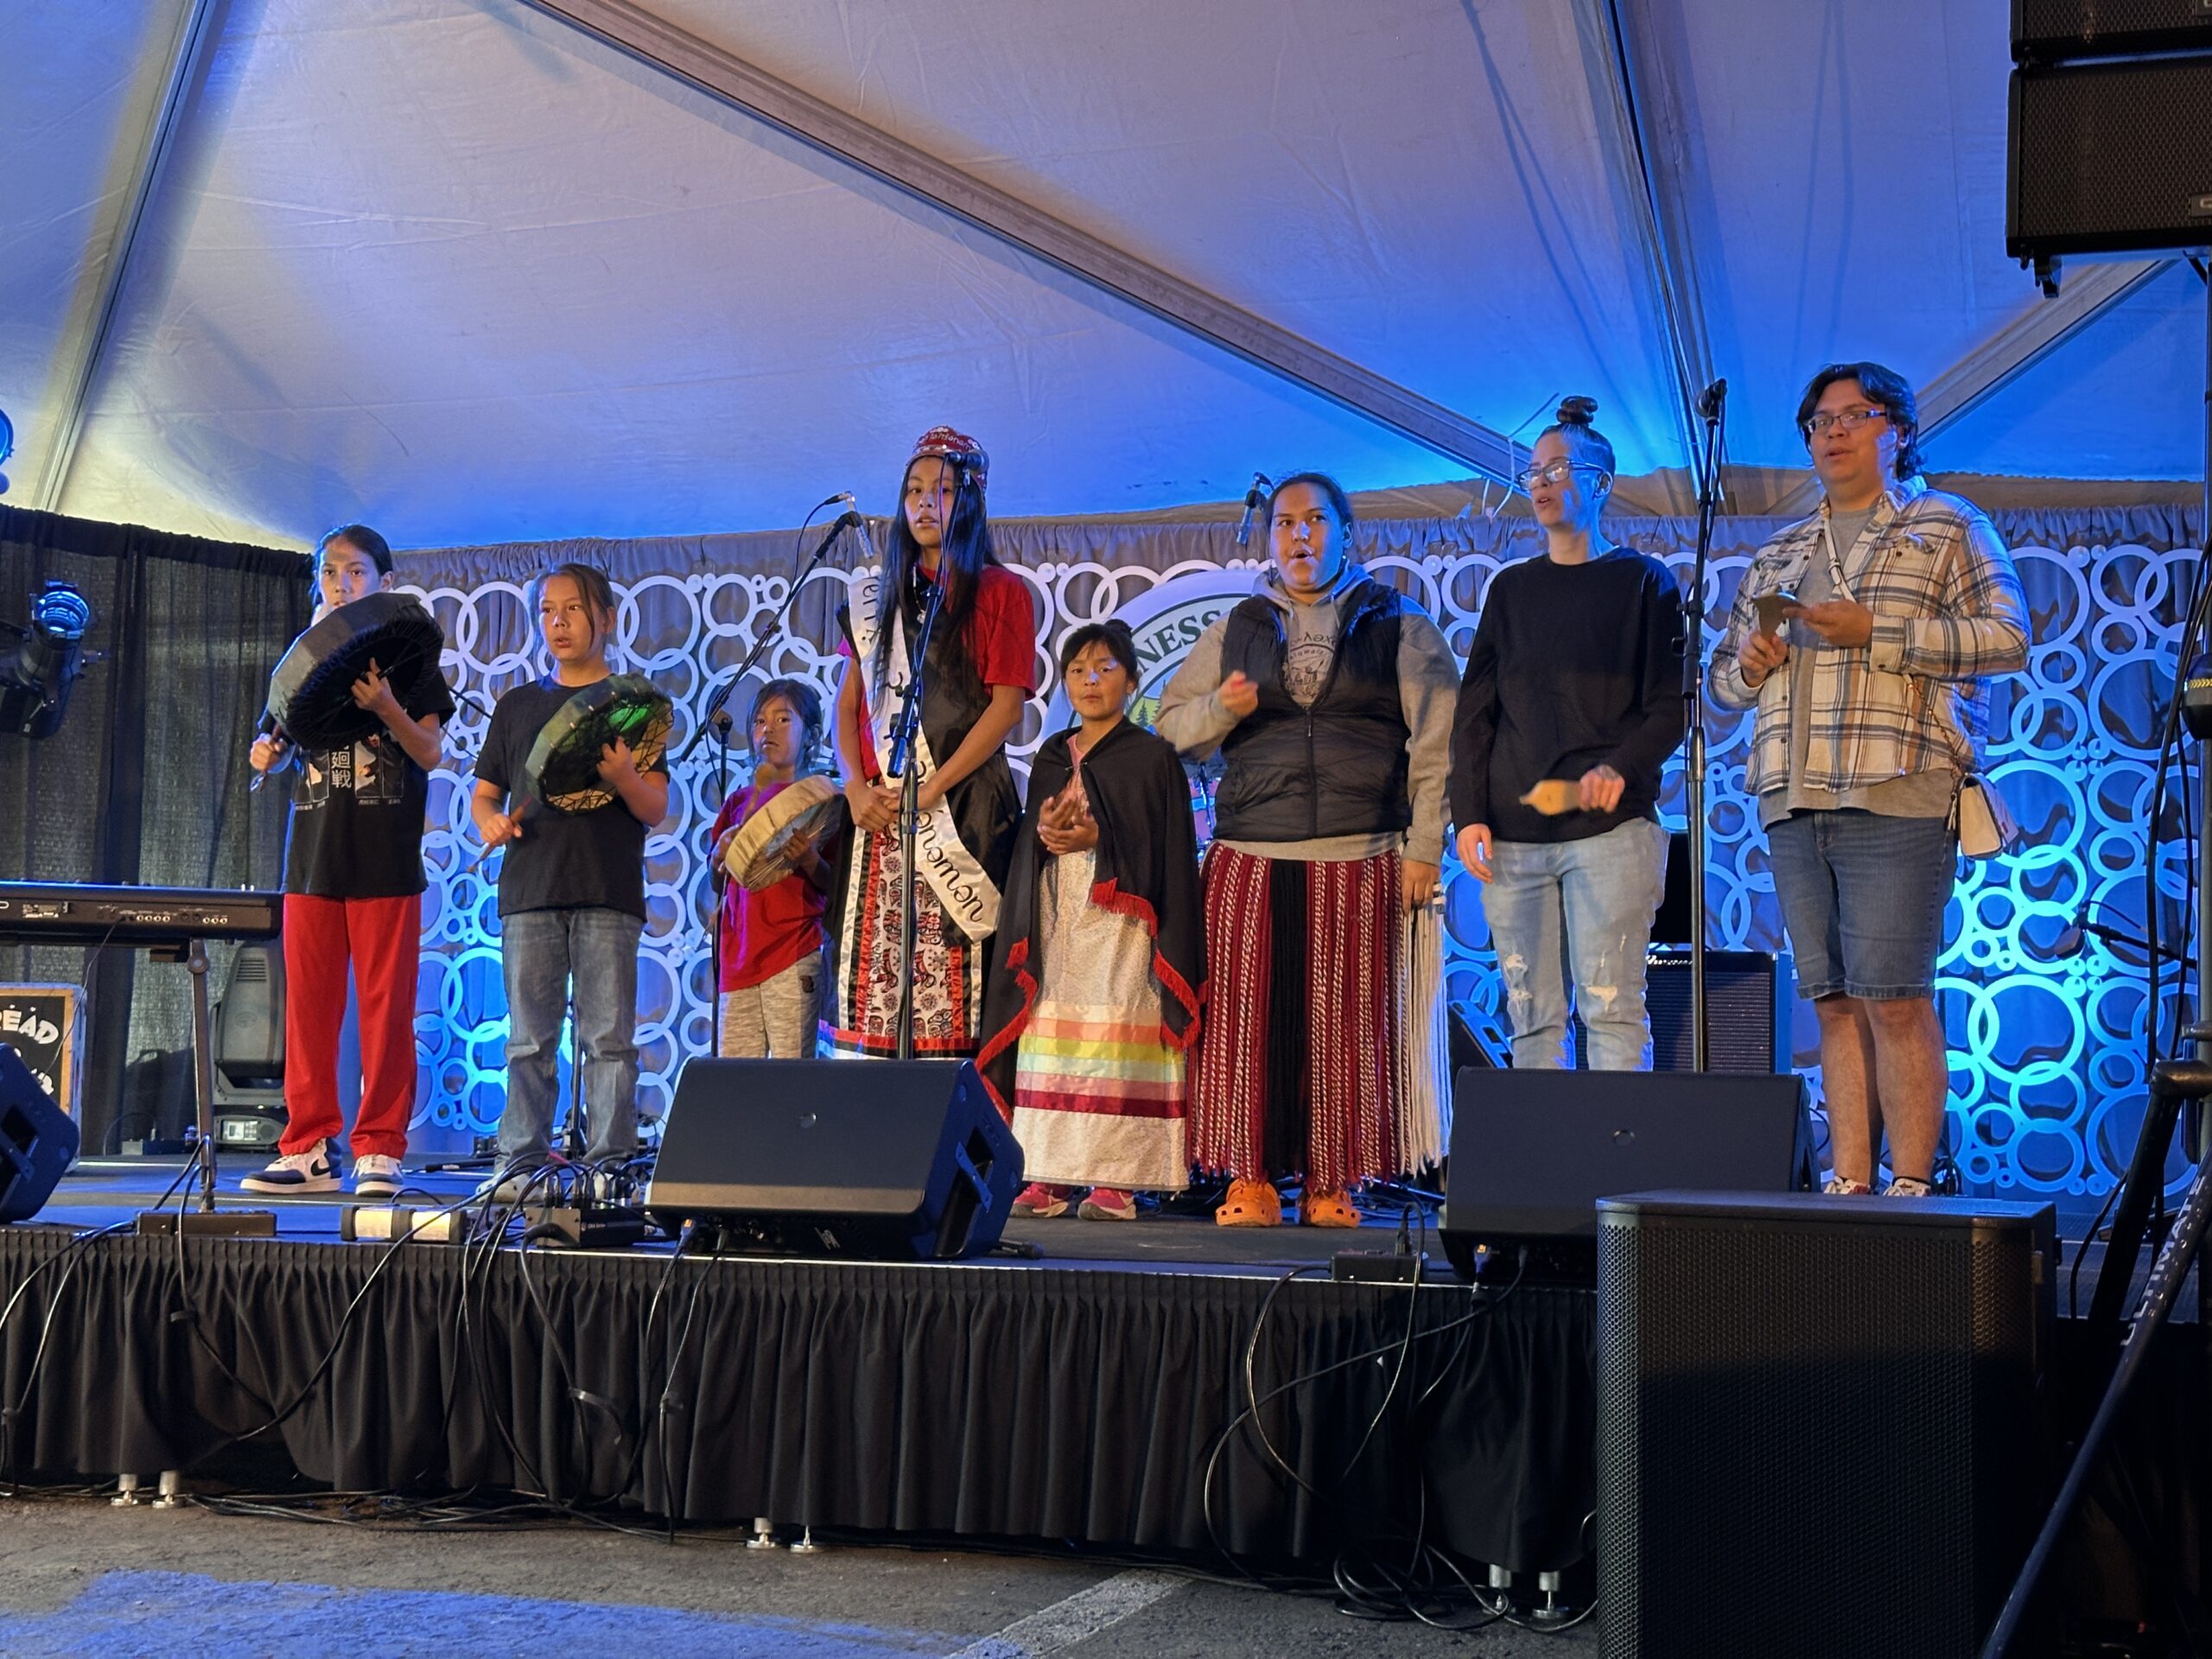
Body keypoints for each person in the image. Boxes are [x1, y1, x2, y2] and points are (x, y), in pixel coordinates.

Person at [1708, 362, 2027, 1197]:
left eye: (1855, 415)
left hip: (1900, 787)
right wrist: (1749, 663)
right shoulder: (1780, 550)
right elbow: (1720, 687)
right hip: (1794, 794)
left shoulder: (1947, 524)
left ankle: (1912, 1184)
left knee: (1894, 997)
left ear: (1899, 430)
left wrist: (1877, 630)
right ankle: (1851, 1184)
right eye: (1820, 420)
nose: (1835, 431)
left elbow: (2008, 637)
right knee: (1835, 1003)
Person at [1156, 473, 1459, 1227]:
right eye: (1286, 523)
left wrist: (1426, 847)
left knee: (1348, 1027)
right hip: (1252, 853)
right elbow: (1165, 729)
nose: (1300, 536)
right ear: (1269, 540)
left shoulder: (1400, 622)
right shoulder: (1238, 627)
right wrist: (1219, 710)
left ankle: (1333, 1181)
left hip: (1364, 852)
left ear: (1346, 533)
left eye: (1316, 520)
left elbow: (1438, 745)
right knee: (1246, 1027)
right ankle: (1251, 1179)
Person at [1451, 397, 1685, 1070]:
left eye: (1559, 468)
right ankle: (1548, 1174)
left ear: (1602, 481)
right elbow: (1476, 712)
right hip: (1515, 835)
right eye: (1533, 472)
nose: (1542, 483)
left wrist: (1619, 767)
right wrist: (1468, 814)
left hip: (1613, 835)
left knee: (1611, 1009)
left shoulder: (1645, 582)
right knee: (1530, 1019)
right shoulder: (1511, 590)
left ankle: (1617, 1170)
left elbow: (1669, 706)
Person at [243, 525, 452, 1199]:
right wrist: (266, 754)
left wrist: (387, 705)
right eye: (330, 573)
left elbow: (429, 752)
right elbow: (272, 734)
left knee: (386, 1012)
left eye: (356, 572)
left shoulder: (412, 658)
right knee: (307, 1012)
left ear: (385, 583)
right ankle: (306, 1146)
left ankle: (380, 1148)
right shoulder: (302, 662)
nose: (341, 585)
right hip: (311, 858)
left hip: (384, 859)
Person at [977, 622, 1205, 1221]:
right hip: (1058, 913)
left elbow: (1166, 846)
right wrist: (1047, 833)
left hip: (1123, 920)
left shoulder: (1152, 758)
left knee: (1114, 1032)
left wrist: (1102, 835)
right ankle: (1048, 1174)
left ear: (1132, 680)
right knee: (1051, 1027)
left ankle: (1117, 1180)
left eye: (1105, 668)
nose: (1090, 681)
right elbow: (1032, 835)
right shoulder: (1053, 755)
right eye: (1077, 670)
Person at [830, 426, 1036, 1058]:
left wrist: (932, 789)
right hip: (878, 817)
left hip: (961, 810)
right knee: (874, 993)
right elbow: (849, 702)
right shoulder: (878, 597)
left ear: (968, 500)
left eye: (941, 490)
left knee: (955, 994)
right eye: (914, 490)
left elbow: (1005, 709)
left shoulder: (1001, 592)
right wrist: (854, 784)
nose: (923, 503)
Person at [472, 562, 669, 1185]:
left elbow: (656, 808)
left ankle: (610, 1167)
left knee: (609, 1040)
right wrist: (489, 823)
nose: (558, 623)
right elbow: (483, 797)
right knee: (528, 1040)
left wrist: (624, 779)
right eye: (547, 612)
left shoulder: (632, 705)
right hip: (530, 891)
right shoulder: (519, 704)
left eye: (573, 610)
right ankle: (519, 1163)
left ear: (606, 618)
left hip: (607, 891)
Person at [706, 678, 836, 1058]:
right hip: (738, 957)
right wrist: (719, 857)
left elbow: (837, 886)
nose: (768, 730)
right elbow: (718, 884)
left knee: (790, 1076)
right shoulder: (738, 802)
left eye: (783, 719)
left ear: (811, 735)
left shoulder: (823, 798)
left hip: (794, 954)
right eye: (760, 722)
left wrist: (810, 859)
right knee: (737, 1083)